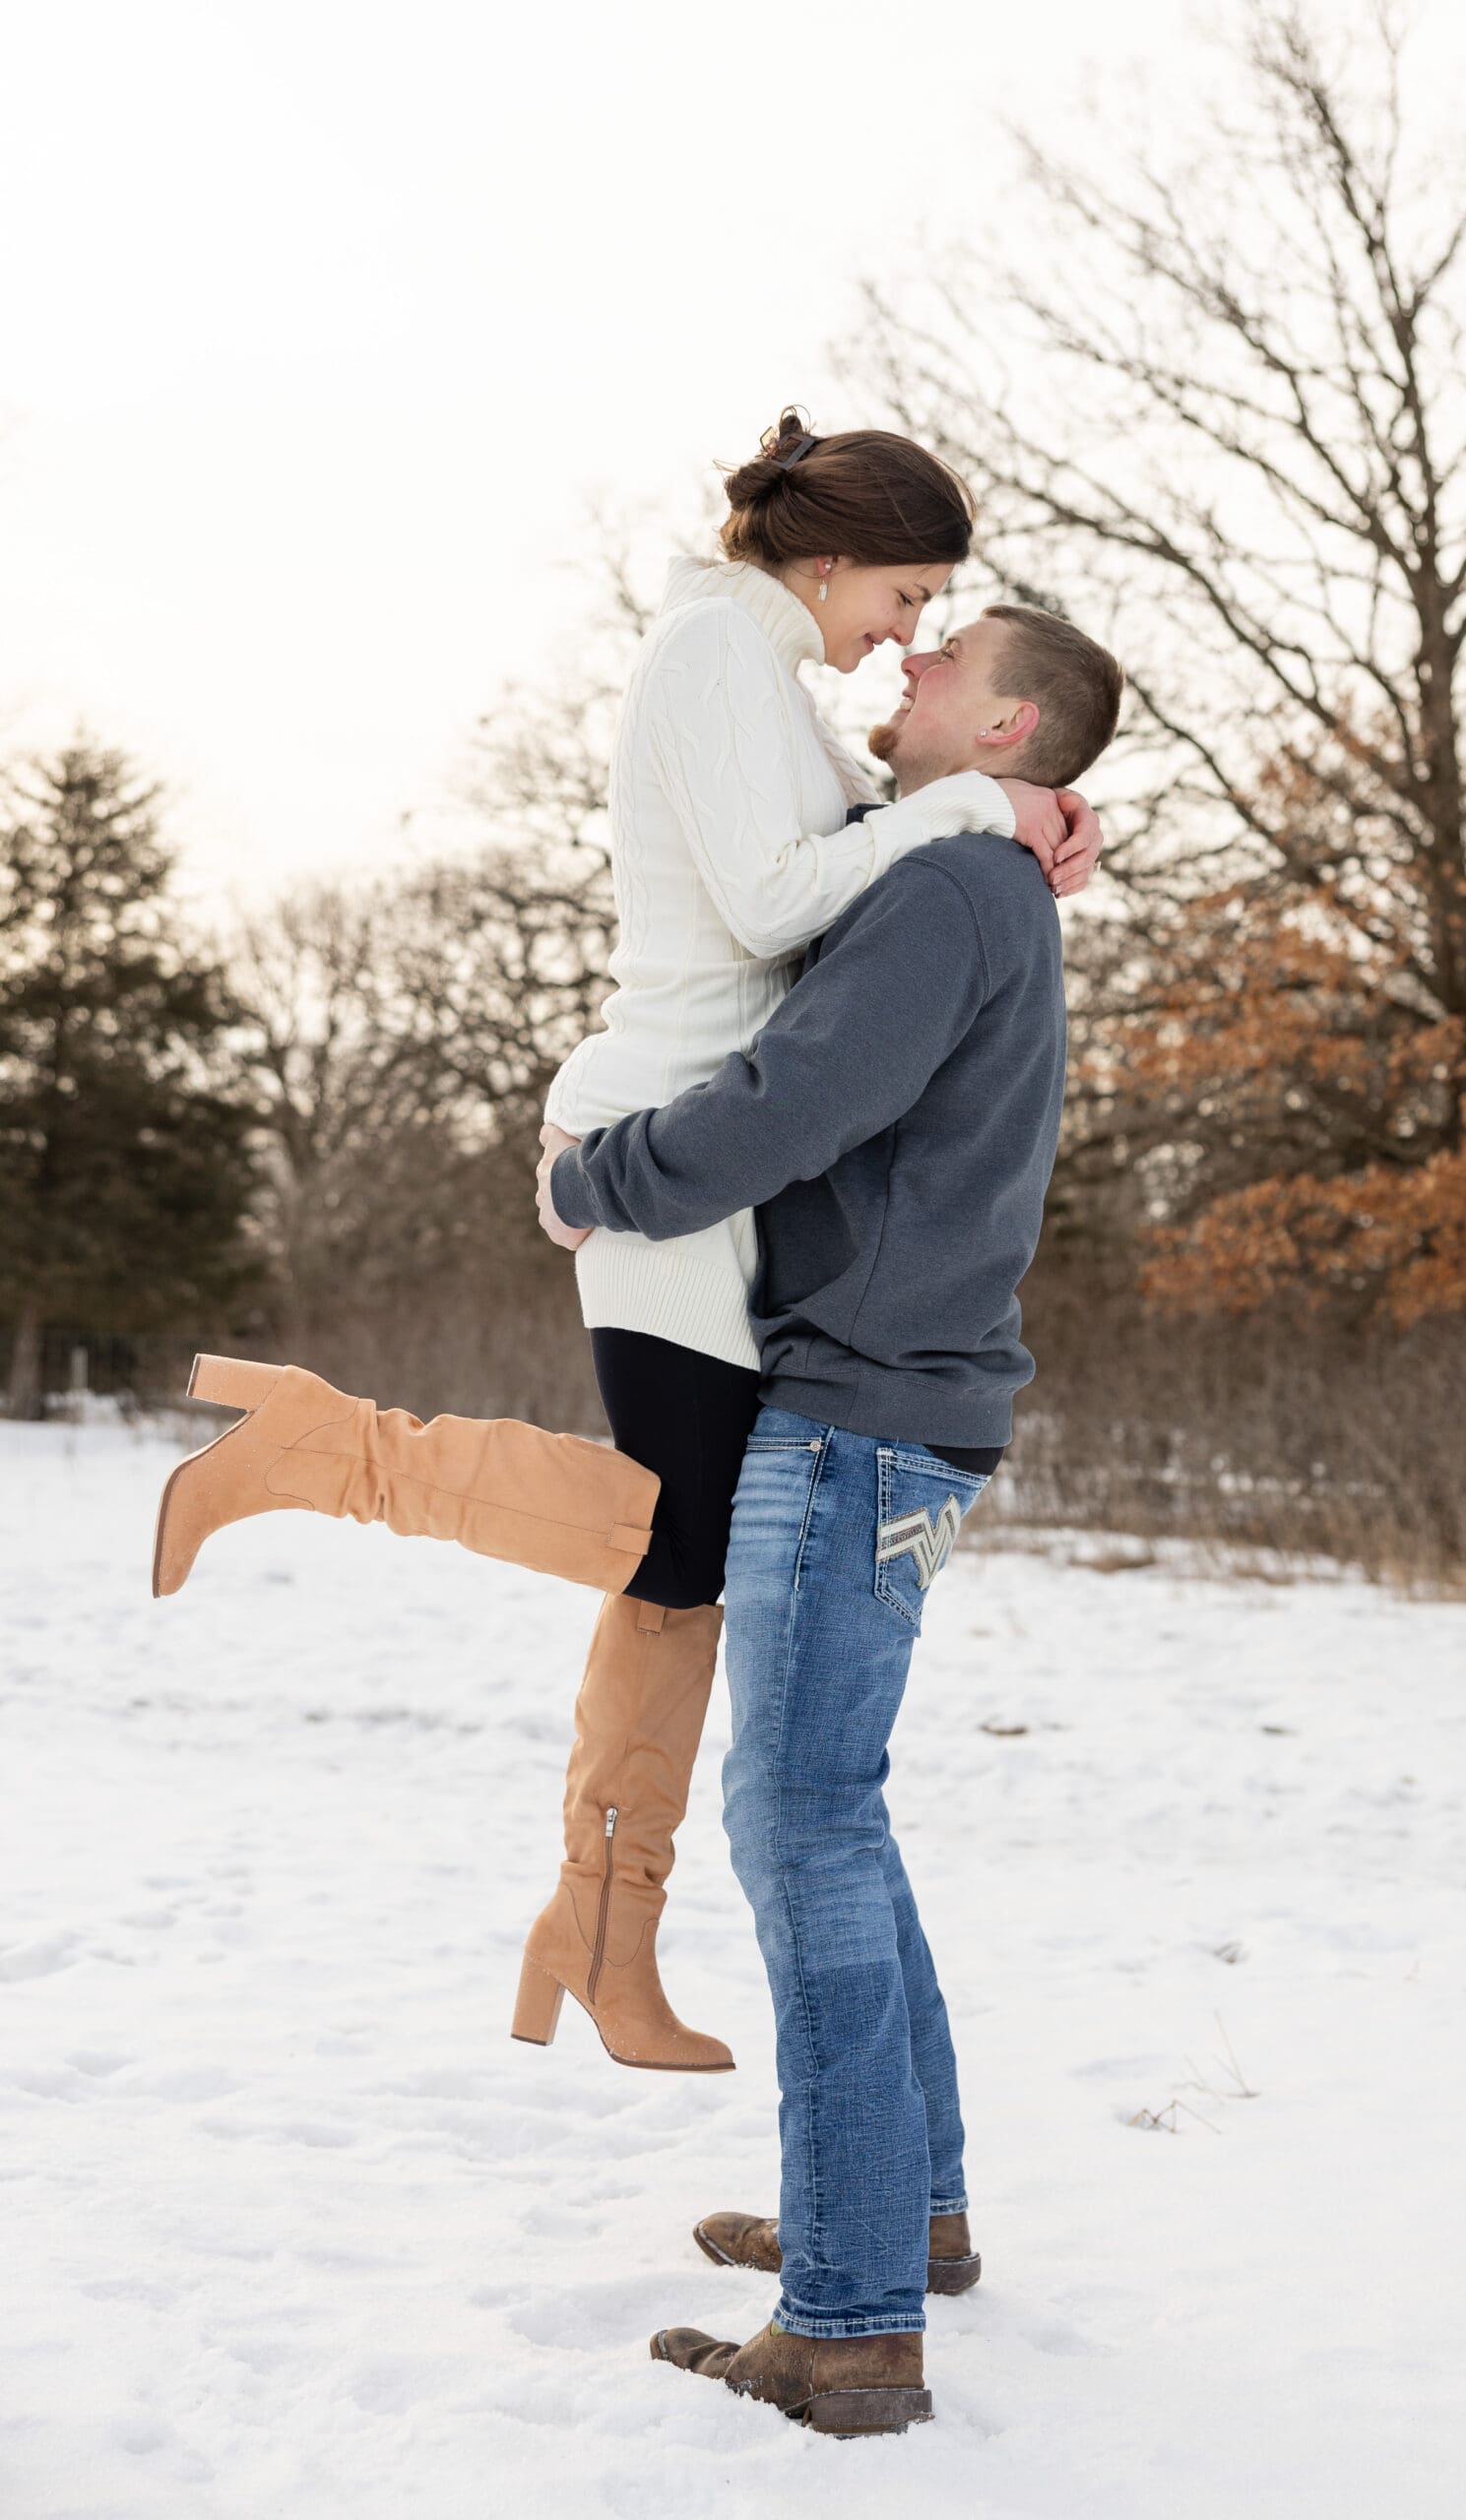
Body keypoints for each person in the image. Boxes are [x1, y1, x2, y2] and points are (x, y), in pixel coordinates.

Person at [150, 412, 1104, 2082]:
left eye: (934, 617)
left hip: (707, 1153)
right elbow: (769, 905)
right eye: (906, 592)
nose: (907, 632)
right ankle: (334, 1449)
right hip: (664, 1140)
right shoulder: (713, 662)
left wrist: (1005, 814)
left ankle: (603, 1938)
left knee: (677, 1574)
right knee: (673, 1535)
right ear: (828, 560)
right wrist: (979, 820)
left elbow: (857, 893)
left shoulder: (764, 678)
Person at [538, 600, 1124, 2434]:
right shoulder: (971, 879)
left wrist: (599, 1181)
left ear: (1012, 721)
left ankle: (856, 2316)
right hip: (901, 1416)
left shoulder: (949, 897)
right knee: (835, 1818)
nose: (903, 670)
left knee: (798, 1828)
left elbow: (800, 1100)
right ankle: (909, 2215)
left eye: (943, 664)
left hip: (858, 1419)